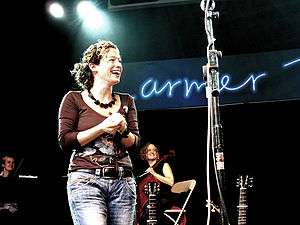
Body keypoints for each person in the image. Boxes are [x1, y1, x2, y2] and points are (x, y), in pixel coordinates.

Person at [58, 40, 140, 225]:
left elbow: (135, 143)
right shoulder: (73, 99)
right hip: (86, 180)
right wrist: (101, 127)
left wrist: (123, 130)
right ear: (93, 66)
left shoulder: (127, 101)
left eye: (119, 61)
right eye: (111, 60)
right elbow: (65, 140)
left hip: (123, 182)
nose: (118, 65)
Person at [136, 142, 174, 225]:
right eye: (149, 150)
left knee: (149, 206)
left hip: (161, 199)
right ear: (144, 155)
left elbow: (171, 182)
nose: (152, 152)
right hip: (146, 201)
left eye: (154, 150)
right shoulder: (145, 171)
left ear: (157, 154)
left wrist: (155, 174)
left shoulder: (164, 165)